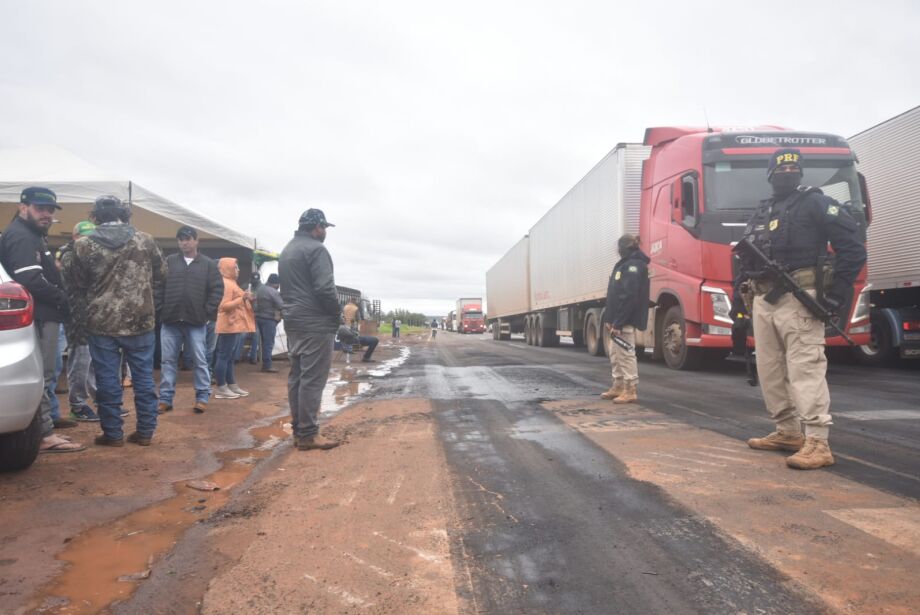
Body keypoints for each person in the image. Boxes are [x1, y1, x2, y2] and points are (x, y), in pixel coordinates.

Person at [735, 148, 866, 470]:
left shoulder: (817, 203)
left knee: (805, 368)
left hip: (800, 296)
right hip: (763, 299)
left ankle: (818, 442)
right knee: (769, 369)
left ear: (801, 173)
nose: (786, 172)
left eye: (793, 168)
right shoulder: (764, 210)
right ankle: (788, 431)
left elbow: (853, 248)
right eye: (781, 168)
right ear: (770, 174)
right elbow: (744, 256)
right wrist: (739, 297)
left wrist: (837, 294)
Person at [72, 195, 166, 447]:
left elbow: (78, 284)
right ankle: (146, 432)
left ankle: (113, 434)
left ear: (96, 216)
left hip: (101, 323)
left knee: (107, 379)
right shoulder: (145, 240)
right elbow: (161, 274)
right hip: (141, 321)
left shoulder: (83, 245)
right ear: (123, 214)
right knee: (144, 377)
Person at [0, 187, 84, 453]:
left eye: (50, 210)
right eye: (40, 208)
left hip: (44, 316)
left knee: (47, 374)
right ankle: (45, 435)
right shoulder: (22, 236)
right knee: (44, 375)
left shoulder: (31, 234)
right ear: (23, 207)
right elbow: (30, 279)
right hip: (39, 317)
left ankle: (46, 425)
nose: (46, 214)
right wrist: (63, 299)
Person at [280, 208, 342, 451]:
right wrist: (336, 316)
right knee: (312, 379)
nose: (325, 232)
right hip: (315, 323)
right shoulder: (316, 250)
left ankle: (299, 430)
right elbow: (325, 289)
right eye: (324, 227)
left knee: (297, 377)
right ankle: (308, 434)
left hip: (293, 322)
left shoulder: (288, 250)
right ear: (317, 227)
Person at [157, 226, 223, 414]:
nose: (184, 242)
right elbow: (158, 286)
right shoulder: (169, 262)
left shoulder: (208, 264)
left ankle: (202, 397)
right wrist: (161, 309)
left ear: (196, 241)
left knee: (200, 360)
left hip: (196, 321)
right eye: (180, 239)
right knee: (168, 361)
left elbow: (217, 290)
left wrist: (206, 313)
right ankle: (165, 399)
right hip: (170, 320)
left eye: (188, 239)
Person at [600, 234, 650, 404]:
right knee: (615, 353)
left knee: (626, 353)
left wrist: (619, 321)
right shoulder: (625, 265)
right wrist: (610, 318)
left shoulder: (633, 266)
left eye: (618, 248)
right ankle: (618, 385)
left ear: (624, 248)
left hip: (625, 320)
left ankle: (630, 389)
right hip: (617, 319)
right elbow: (615, 294)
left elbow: (629, 296)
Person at [58, 220, 99, 422]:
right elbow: (83, 281)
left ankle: (99, 401)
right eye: (84, 236)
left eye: (92, 237)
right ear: (75, 237)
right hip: (76, 316)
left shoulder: (88, 255)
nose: (88, 241)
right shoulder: (68, 256)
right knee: (80, 361)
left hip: (91, 315)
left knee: (91, 361)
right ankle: (78, 405)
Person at [214, 258, 254, 399]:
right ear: (228, 268)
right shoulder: (225, 283)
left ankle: (231, 384)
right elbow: (223, 306)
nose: (238, 270)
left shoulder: (231, 283)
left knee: (229, 357)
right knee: (224, 356)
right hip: (228, 325)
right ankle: (221, 387)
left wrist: (245, 297)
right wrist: (242, 298)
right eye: (235, 267)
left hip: (235, 325)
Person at [254, 272, 283, 372]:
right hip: (269, 319)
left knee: (264, 342)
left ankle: (265, 364)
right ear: (275, 283)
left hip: (259, 318)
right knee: (268, 343)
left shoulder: (260, 289)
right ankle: (267, 365)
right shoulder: (273, 292)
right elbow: (281, 305)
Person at [343, 298, 379, 362]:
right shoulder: (355, 308)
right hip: (353, 334)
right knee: (375, 340)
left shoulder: (344, 307)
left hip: (346, 337)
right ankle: (366, 357)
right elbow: (359, 320)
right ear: (354, 302)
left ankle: (356, 351)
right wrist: (358, 329)